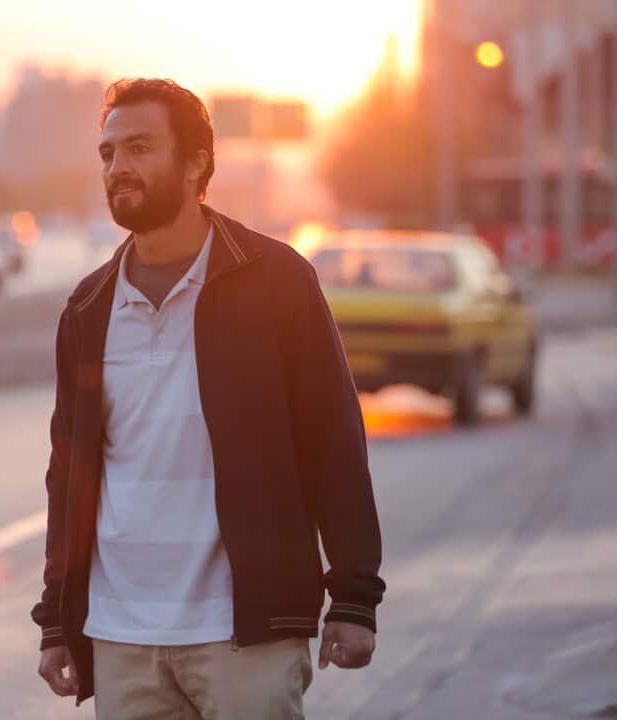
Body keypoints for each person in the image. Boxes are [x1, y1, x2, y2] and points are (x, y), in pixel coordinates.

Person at [32, 78, 385, 719]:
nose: (119, 168)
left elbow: (333, 442)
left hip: (245, 631)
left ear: (197, 162)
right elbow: (71, 472)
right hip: (123, 634)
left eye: (139, 148)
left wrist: (354, 596)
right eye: (109, 154)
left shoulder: (276, 282)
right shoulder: (88, 306)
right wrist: (59, 618)